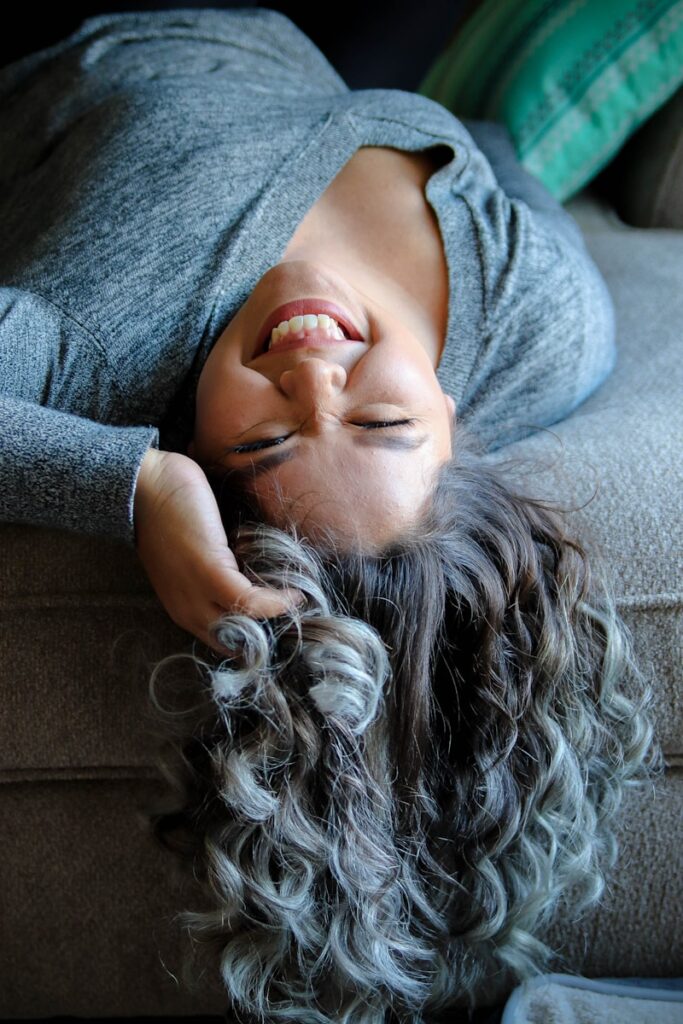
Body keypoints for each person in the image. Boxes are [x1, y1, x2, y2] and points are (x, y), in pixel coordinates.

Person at [0, 8, 661, 1023]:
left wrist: (132, 488)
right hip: (323, 46)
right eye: (384, 418)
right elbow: (490, 147)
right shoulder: (544, 323)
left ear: (204, 459)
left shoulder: (99, 331)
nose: (311, 376)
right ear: (452, 415)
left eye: (263, 443)